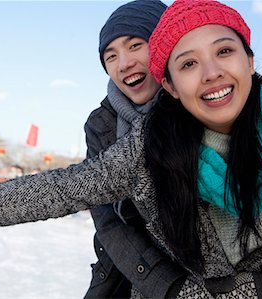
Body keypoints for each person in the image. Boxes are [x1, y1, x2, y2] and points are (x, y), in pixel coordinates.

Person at [0, 0, 262, 297]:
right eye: (189, 63)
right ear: (171, 85)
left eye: (225, 52)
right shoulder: (141, 146)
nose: (212, 73)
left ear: (250, 60)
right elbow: (63, 189)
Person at [83, 1, 185, 298]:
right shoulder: (100, 124)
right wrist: (160, 282)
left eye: (136, 45)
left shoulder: (199, 106)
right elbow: (106, 217)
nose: (123, 63)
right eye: (110, 56)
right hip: (125, 275)